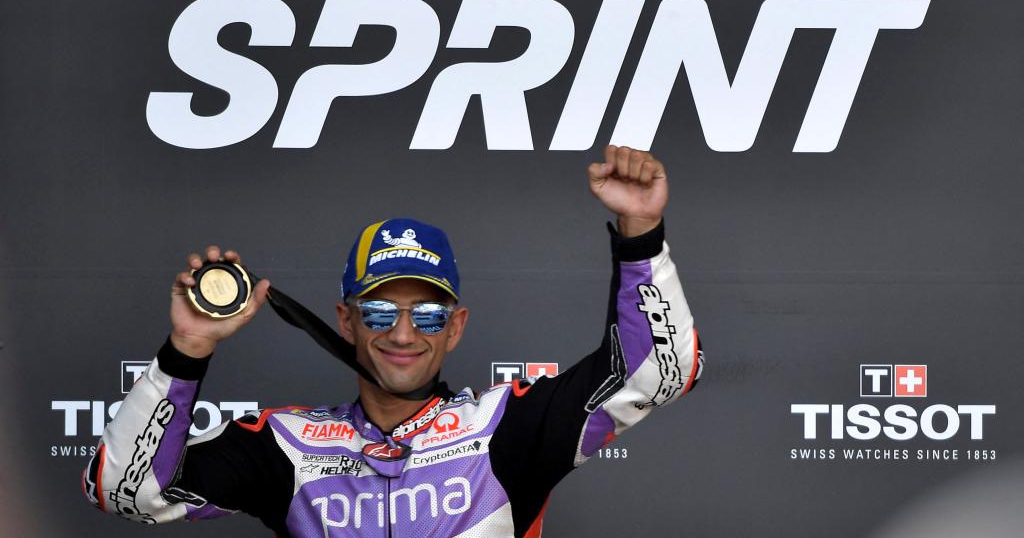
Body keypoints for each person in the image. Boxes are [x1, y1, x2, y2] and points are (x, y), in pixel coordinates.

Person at [82, 145, 705, 537]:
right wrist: (188, 347)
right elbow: (125, 492)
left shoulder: (507, 426)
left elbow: (658, 375)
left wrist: (641, 234)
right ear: (345, 321)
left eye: (428, 315)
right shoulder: (287, 445)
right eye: (379, 311)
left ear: (456, 328)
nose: (403, 333)